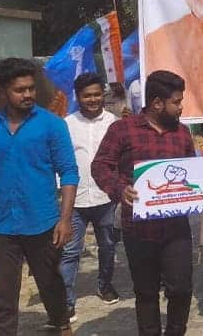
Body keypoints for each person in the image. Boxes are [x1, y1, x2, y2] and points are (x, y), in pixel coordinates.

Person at [0, 58, 78, 336]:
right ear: (3, 92)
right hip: (2, 225)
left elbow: (69, 172)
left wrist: (65, 220)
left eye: (31, 88)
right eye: (20, 90)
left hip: (42, 222)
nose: (28, 94)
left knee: (49, 284)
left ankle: (61, 323)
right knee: (5, 296)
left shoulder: (52, 125)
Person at [91, 70, 196, 336]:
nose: (181, 107)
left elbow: (191, 172)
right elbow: (101, 166)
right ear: (158, 103)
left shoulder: (182, 134)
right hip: (139, 229)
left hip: (176, 228)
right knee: (146, 292)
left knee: (181, 288)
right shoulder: (122, 130)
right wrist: (119, 190)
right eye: (177, 102)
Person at [60, 73, 121, 324]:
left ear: (102, 95)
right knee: (70, 250)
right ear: (78, 97)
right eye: (87, 95)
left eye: (97, 94)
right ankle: (66, 301)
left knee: (107, 246)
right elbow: (60, 160)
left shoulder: (115, 123)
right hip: (74, 199)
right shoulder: (66, 124)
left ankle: (104, 284)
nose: (93, 99)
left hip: (106, 196)